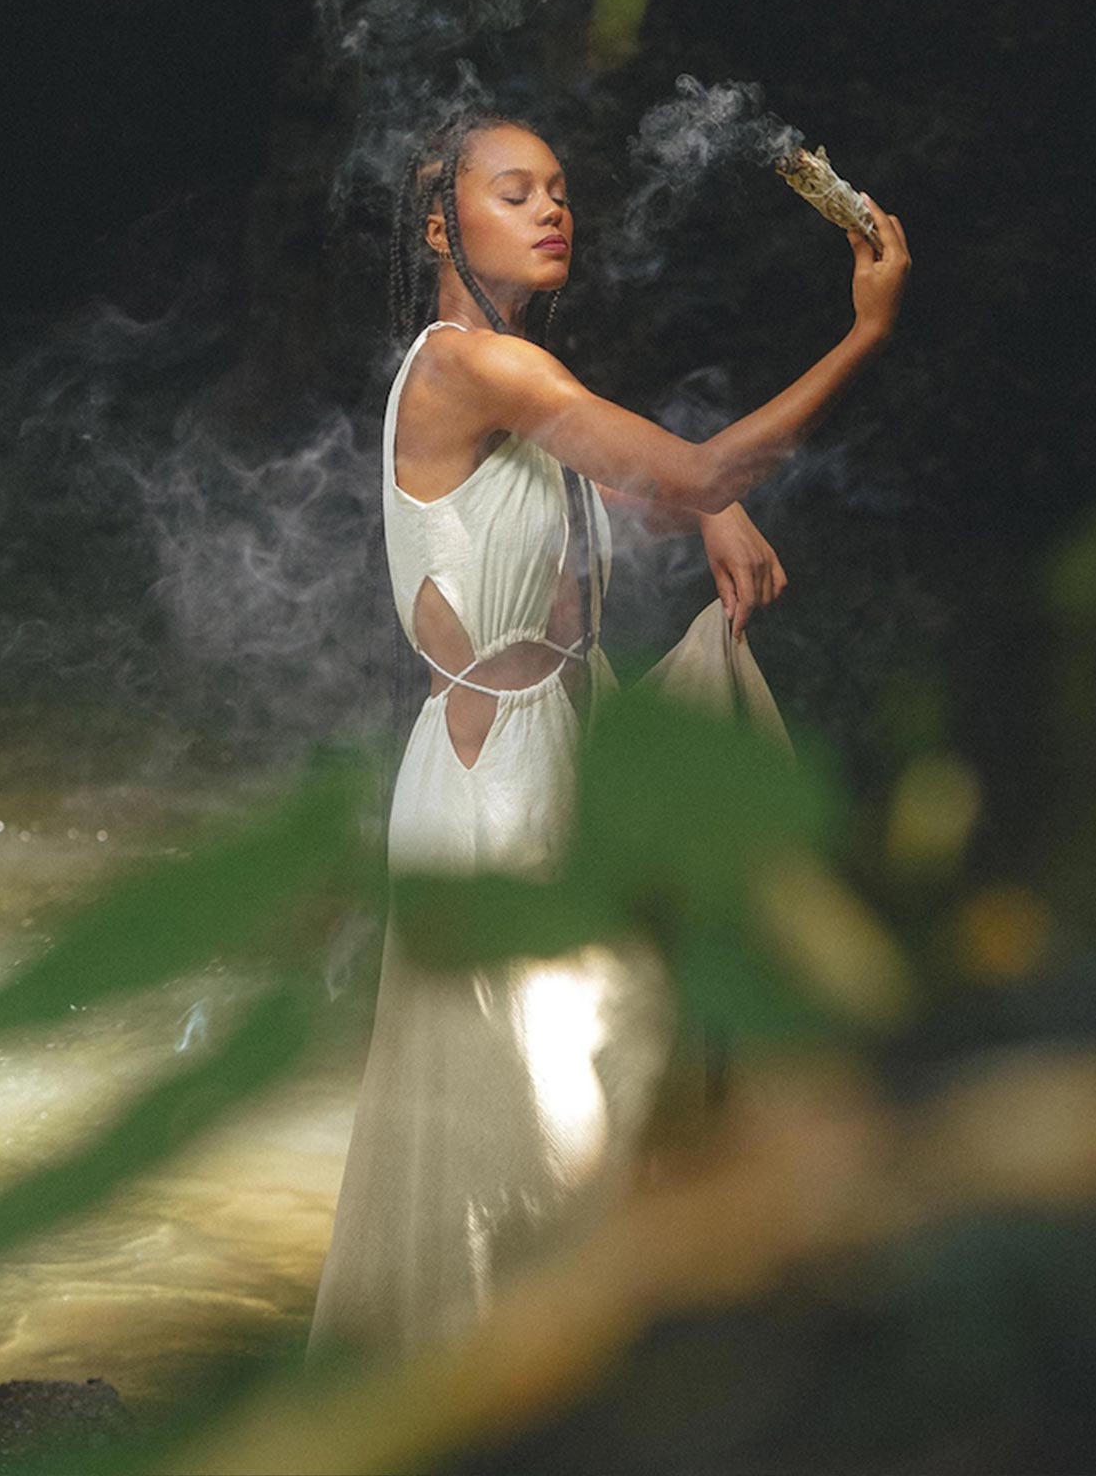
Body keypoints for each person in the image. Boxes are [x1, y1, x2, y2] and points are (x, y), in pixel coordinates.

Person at [308, 107, 910, 1355]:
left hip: (554, 755)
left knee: (582, 1122)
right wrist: (866, 333)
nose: (550, 210)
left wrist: (700, 518)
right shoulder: (472, 367)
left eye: (560, 191)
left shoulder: (516, 379)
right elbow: (685, 470)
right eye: (514, 191)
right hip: (496, 797)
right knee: (551, 1138)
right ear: (441, 226)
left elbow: (616, 479)